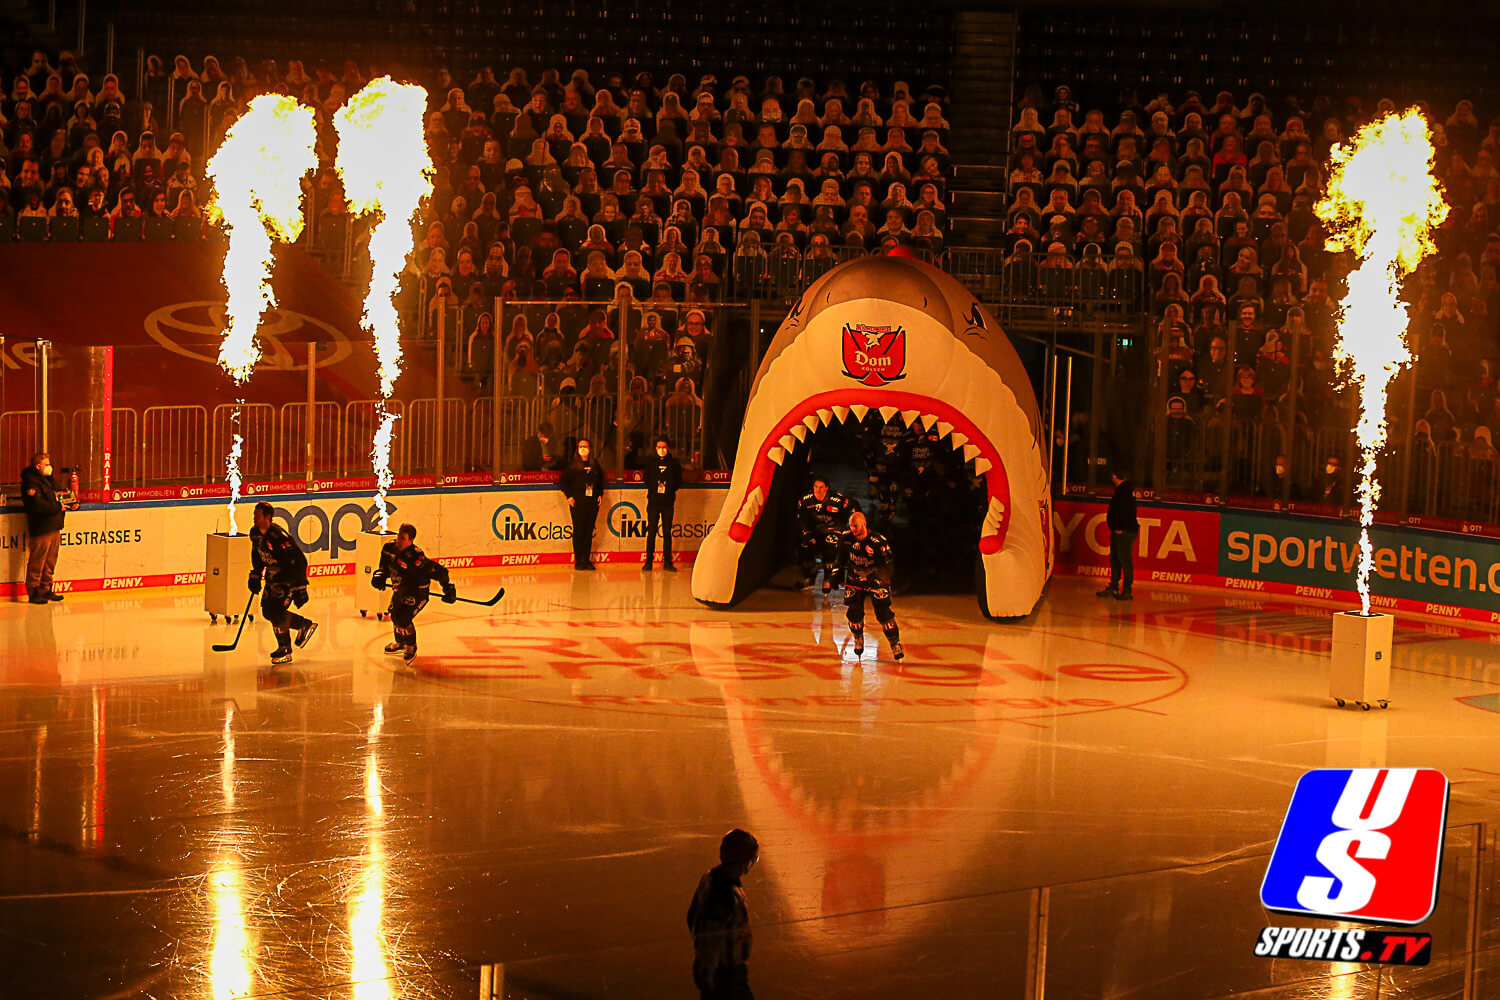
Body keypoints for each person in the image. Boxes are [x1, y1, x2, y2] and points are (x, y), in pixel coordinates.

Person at [371, 522, 456, 668]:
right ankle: (400, 642)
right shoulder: (388, 549)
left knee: (403, 616)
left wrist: (448, 588)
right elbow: (383, 568)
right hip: (401, 589)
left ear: (411, 541)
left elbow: (440, 571)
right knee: (394, 614)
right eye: (398, 536)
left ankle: (411, 646)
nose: (399, 541)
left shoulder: (416, 556)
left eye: (403, 539)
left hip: (418, 591)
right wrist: (379, 576)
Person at [687, 828, 759, 1000]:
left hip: (718, 970)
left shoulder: (710, 878)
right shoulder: (726, 895)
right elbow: (712, 940)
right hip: (726, 973)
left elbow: (692, 916)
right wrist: (710, 975)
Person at [247, 501, 317, 665]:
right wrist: (256, 574)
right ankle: (303, 624)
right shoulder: (255, 533)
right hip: (272, 579)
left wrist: (300, 586)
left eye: (257, 516)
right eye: (254, 515)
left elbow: (299, 560)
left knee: (276, 612)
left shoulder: (278, 536)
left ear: (268, 517)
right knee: (268, 612)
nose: (254, 519)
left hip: (287, 578)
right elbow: (257, 555)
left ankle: (285, 649)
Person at [835, 511, 904, 659]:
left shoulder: (878, 541)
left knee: (883, 612)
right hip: (855, 579)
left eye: (857, 526)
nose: (854, 529)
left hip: (875, 578)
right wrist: (836, 573)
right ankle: (858, 638)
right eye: (852, 526)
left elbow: (888, 564)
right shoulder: (846, 538)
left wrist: (881, 579)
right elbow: (840, 558)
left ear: (864, 524)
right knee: (854, 612)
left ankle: (895, 643)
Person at [20, 452, 74, 604]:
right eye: (47, 465)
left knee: (50, 561)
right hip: (42, 527)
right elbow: (37, 505)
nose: (50, 467)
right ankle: (33, 591)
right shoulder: (30, 482)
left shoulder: (48, 480)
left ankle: (45, 588)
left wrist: (70, 502)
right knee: (38, 561)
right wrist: (58, 506)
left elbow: (57, 495)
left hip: (54, 525)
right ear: (38, 466)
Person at [797, 477, 858, 592]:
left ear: (826, 489)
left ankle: (828, 578)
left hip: (834, 529)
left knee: (830, 544)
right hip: (815, 530)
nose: (818, 490)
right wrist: (806, 534)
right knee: (804, 546)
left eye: (821, 487)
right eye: (815, 487)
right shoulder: (806, 500)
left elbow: (854, 508)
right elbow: (800, 518)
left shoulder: (837, 500)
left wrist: (851, 528)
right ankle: (809, 576)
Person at [559, 437, 604, 570]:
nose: (583, 449)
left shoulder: (595, 465)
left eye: (585, 446)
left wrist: (600, 494)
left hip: (592, 503)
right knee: (578, 531)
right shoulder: (573, 466)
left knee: (588, 531)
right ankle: (578, 560)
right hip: (577, 503)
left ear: (590, 449)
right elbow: (563, 481)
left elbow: (600, 481)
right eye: (580, 446)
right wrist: (569, 496)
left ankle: (587, 559)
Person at [643, 435, 683, 572]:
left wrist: (669, 490)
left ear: (668, 448)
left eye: (664, 447)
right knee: (652, 532)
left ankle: (668, 562)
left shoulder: (674, 463)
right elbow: (646, 479)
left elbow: (678, 481)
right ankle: (648, 562)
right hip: (653, 502)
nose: (661, 449)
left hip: (668, 503)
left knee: (667, 532)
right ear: (655, 448)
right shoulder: (650, 462)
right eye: (659, 447)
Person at [1098, 468, 1139, 600]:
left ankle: (1127, 590)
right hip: (1121, 530)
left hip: (1123, 531)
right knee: (1115, 559)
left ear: (1115, 476)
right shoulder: (1126, 489)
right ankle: (1114, 587)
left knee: (1124, 560)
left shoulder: (1124, 491)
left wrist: (1119, 527)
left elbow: (1124, 511)